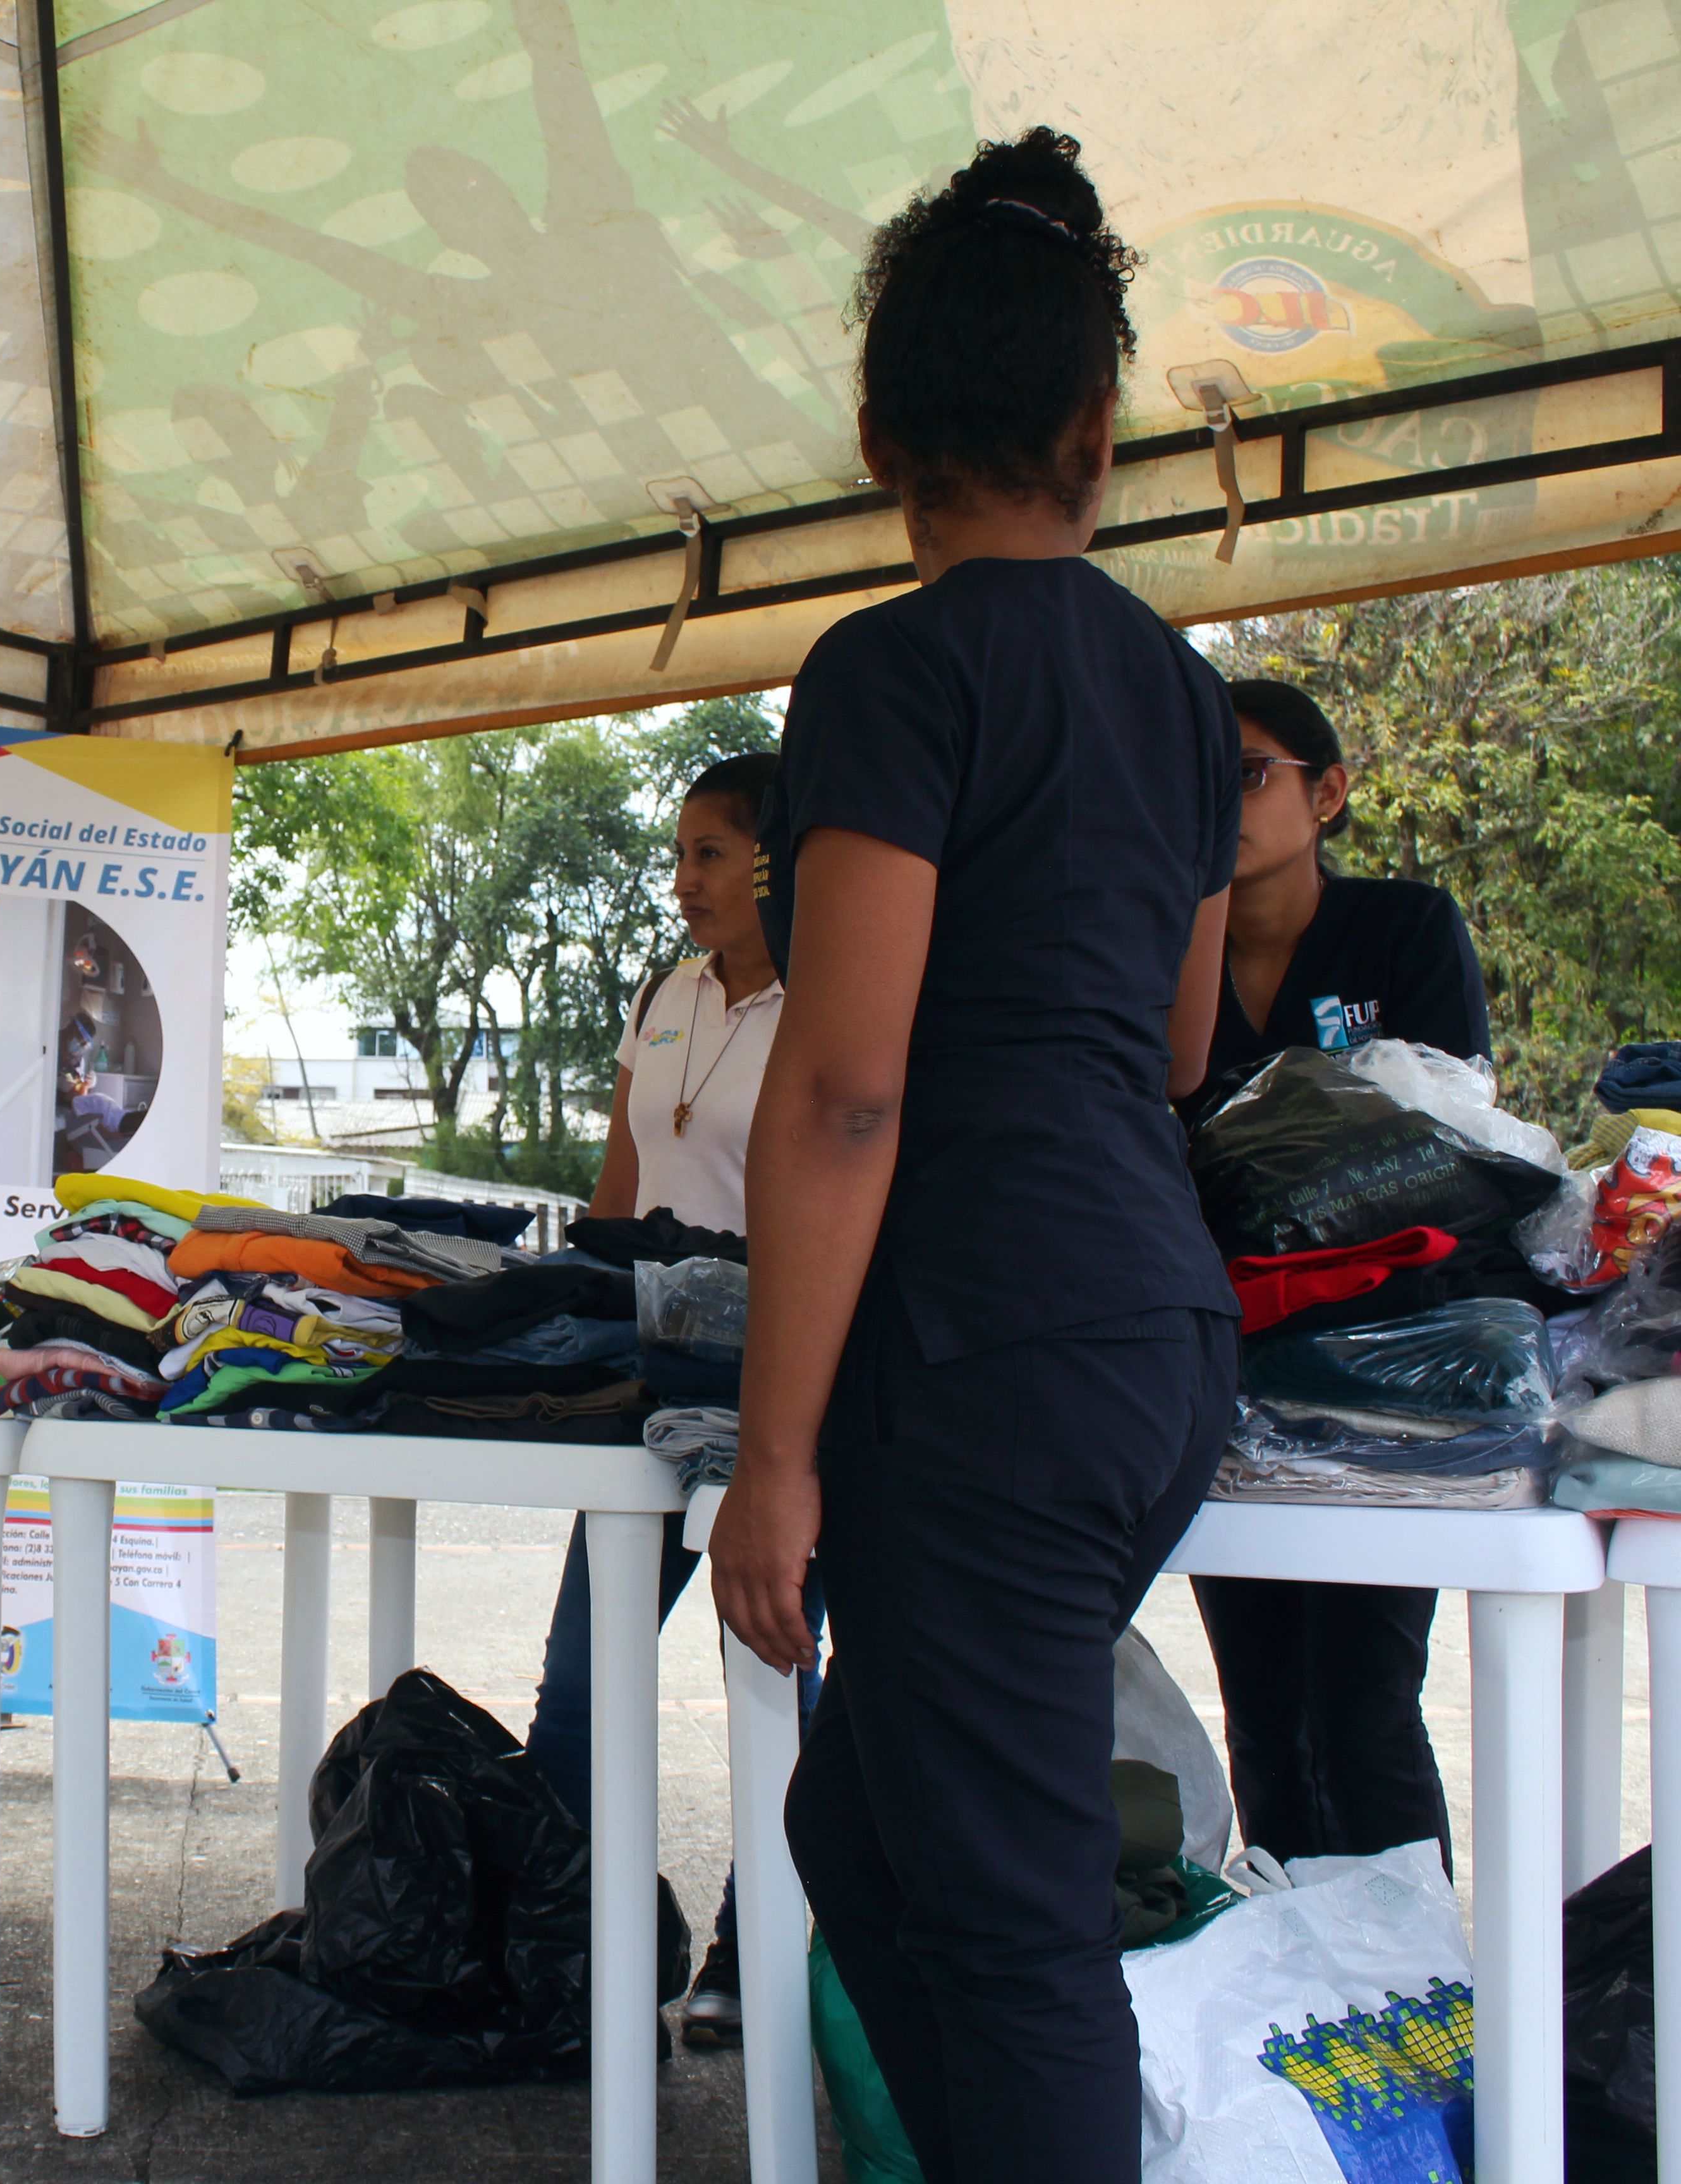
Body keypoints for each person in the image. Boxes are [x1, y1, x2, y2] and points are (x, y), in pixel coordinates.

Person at [710, 131, 1242, 2184]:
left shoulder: (889, 671)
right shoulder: (1179, 698)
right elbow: (1181, 1040)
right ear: (1095, 431)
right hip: (1146, 1341)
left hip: (983, 1359)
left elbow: (842, 1083)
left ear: (875, 435)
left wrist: (771, 1453)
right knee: (855, 1818)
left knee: (1019, 1938)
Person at [528, 751, 815, 2046]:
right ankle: (571, 1941)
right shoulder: (666, 995)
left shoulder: (830, 1003)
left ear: (775, 860)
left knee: (781, 1677)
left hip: (780, 1382)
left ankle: (756, 1958)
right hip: (647, 1384)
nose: (686, 878)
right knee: (581, 1682)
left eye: (713, 852)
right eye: (681, 852)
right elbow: (617, 1194)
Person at [1188, 676, 1485, 1872]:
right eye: (1198, 778)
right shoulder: (1166, 953)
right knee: (1260, 1704)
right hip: (1230, 1361)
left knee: (1361, 1698)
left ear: (1330, 793)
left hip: (1387, 1362)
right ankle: (1308, 2011)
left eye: (1248, 773)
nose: (1221, 801)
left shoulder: (1406, 928)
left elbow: (1441, 1136)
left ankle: (1423, 2006)